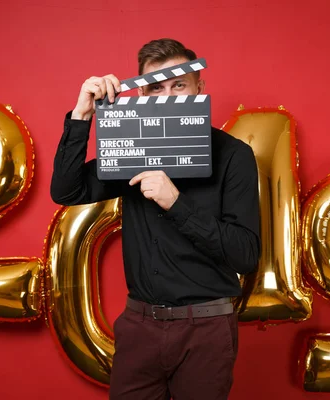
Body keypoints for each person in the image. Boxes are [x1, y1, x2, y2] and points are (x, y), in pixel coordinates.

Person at [50, 38, 260, 400]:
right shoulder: (132, 146)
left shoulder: (234, 156)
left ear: (199, 87)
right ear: (142, 96)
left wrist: (176, 203)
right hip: (139, 326)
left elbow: (245, 254)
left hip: (206, 327)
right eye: (156, 87)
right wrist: (82, 113)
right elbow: (67, 191)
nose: (169, 94)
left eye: (179, 84)